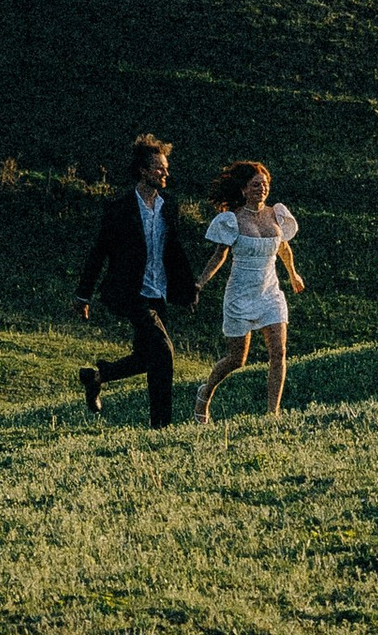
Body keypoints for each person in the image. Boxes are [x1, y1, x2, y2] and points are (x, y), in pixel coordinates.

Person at [75, 132, 201, 429]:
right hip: (130, 292)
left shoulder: (169, 205)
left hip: (159, 290)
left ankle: (96, 377)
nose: (165, 173)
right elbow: (99, 251)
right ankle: (161, 426)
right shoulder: (119, 207)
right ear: (143, 171)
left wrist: (187, 289)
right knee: (164, 352)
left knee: (148, 357)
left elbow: (174, 250)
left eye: (166, 168)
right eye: (159, 168)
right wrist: (83, 295)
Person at [191, 159, 303, 423]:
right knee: (236, 359)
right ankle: (205, 393)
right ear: (243, 189)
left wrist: (293, 274)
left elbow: (283, 248)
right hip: (240, 295)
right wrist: (200, 283)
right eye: (255, 185)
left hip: (270, 293)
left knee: (279, 352)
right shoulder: (233, 219)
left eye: (265, 184)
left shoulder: (276, 214)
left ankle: (272, 414)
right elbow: (219, 255)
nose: (261, 189)